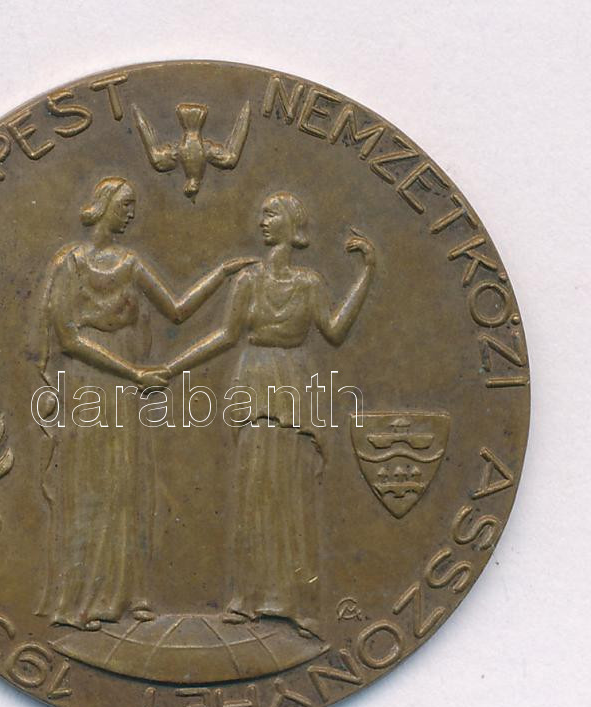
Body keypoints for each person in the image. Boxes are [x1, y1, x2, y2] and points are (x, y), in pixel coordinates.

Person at [36, 176, 253, 630]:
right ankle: (80, 602)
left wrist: (220, 275)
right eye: (125, 204)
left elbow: (177, 310)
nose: (131, 213)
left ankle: (121, 595)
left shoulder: (131, 263)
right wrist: (134, 373)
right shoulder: (70, 264)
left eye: (133, 205)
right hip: (91, 382)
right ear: (103, 207)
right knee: (90, 485)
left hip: (123, 387)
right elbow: (69, 338)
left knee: (124, 484)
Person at [165, 191, 376, 638]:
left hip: (295, 381)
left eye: (271, 214)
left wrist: (365, 275)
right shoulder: (248, 281)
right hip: (255, 377)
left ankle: (297, 602)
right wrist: (172, 366)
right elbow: (225, 336)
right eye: (262, 214)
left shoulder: (310, 283)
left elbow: (335, 330)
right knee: (255, 486)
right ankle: (249, 598)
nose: (262, 221)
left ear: (291, 225)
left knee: (294, 491)